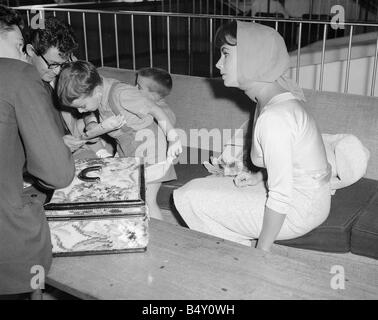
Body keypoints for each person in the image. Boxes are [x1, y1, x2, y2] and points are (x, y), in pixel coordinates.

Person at [173, 20, 332, 252]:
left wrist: (261, 252)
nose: (218, 64)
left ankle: (239, 256)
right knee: (206, 185)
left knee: (188, 196)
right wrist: (259, 179)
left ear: (253, 57)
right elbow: (293, 163)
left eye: (226, 54)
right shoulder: (272, 100)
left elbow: (280, 196)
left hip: (299, 208)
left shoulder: (274, 117)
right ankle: (236, 247)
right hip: (305, 197)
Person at [0, 5, 75, 299]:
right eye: (18, 46)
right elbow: (56, 173)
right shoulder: (20, 74)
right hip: (10, 231)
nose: (22, 57)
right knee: (35, 283)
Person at [56, 60, 183, 220]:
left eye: (82, 105)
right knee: (127, 194)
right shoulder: (98, 91)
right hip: (129, 149)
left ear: (96, 91)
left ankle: (161, 238)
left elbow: (155, 109)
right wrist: (93, 123)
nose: (80, 110)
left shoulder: (121, 93)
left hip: (151, 149)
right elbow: (90, 115)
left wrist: (173, 138)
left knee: (148, 201)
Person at [24, 16, 112, 158]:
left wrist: (91, 123)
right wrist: (56, 144)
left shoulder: (68, 65)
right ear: (31, 51)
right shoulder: (16, 82)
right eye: (53, 64)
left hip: (77, 140)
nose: (58, 71)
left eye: (63, 64)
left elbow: (86, 102)